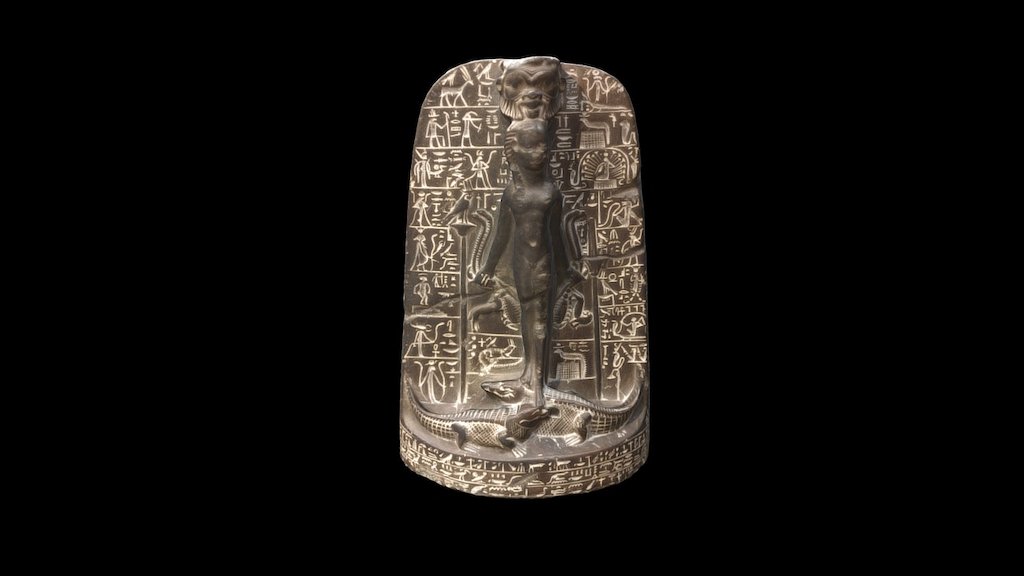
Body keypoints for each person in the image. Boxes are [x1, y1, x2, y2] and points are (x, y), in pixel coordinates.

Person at [473, 118, 580, 407]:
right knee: (527, 315)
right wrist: (488, 268)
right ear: (515, 151)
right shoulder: (512, 194)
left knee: (540, 319)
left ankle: (538, 385)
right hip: (521, 265)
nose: (541, 151)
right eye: (532, 146)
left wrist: (565, 268)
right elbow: (501, 235)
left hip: (543, 264)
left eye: (544, 145)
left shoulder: (550, 194)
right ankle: (529, 374)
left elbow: (556, 236)